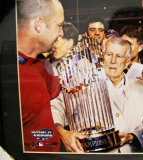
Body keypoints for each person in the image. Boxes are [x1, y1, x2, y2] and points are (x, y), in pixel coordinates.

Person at [17, 0, 64, 151]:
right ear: (39, 24)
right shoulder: (12, 74)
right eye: (59, 25)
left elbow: (57, 89)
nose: (61, 33)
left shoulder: (38, 64)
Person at [103, 37, 143, 153]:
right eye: (109, 54)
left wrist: (132, 136)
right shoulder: (89, 87)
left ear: (127, 63)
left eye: (119, 56)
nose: (113, 60)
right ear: (103, 57)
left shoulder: (141, 90)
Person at [50, 21, 86, 152]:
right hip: (60, 132)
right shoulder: (51, 67)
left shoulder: (85, 68)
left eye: (56, 41)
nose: (52, 46)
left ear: (69, 43)